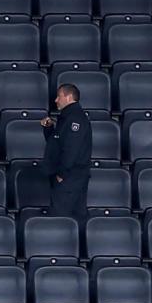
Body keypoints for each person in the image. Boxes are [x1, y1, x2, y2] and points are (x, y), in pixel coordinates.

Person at [40, 84, 93, 225]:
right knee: (76, 219)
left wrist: (61, 175)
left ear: (69, 97)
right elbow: (57, 145)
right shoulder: (67, 118)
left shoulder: (74, 119)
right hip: (72, 178)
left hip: (69, 179)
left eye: (59, 96)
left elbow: (71, 150)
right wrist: (49, 128)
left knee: (60, 221)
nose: (56, 100)